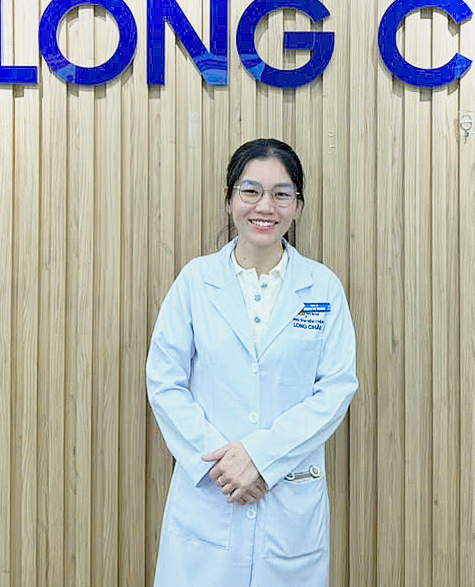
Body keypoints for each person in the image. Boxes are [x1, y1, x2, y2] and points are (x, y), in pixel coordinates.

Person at [146, 138, 358, 587]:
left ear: (298, 206)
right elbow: (164, 382)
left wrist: (261, 458)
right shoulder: (196, 281)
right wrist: (225, 466)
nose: (265, 206)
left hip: (287, 493)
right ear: (229, 199)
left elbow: (336, 389)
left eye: (281, 194)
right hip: (211, 493)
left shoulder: (322, 288)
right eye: (251, 191)